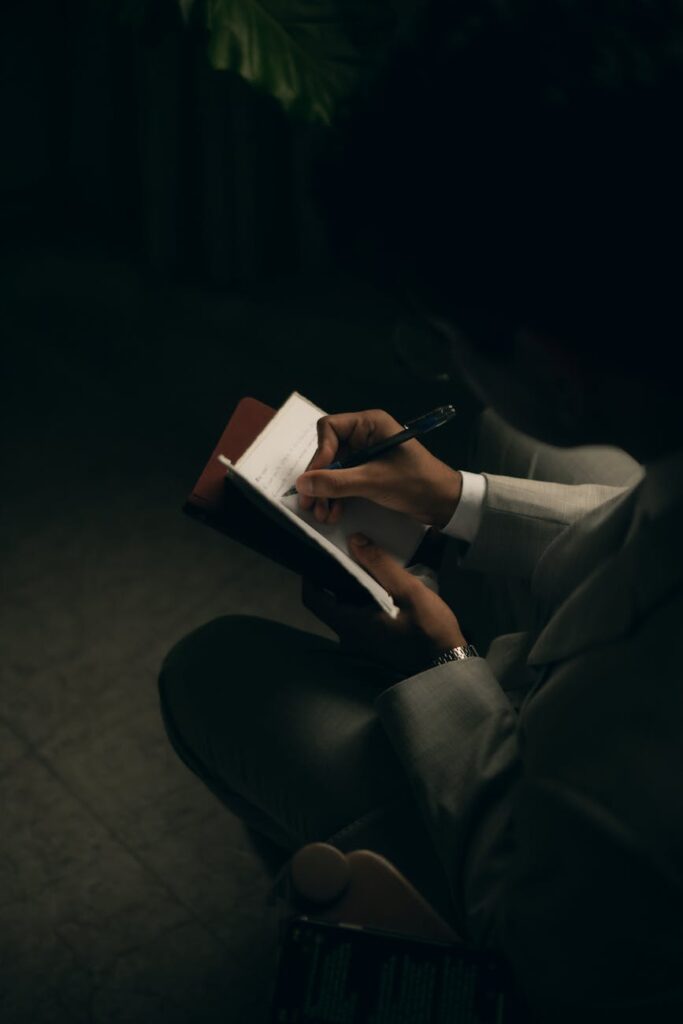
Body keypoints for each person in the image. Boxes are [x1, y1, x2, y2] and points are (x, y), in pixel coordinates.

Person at [159, 2, 683, 1019]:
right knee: (531, 451)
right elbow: (646, 523)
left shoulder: (619, 732)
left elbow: (532, 931)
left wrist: (440, 671)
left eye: (441, 340)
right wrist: (455, 497)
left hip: (572, 908)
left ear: (552, 360)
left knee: (213, 671)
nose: (439, 363)